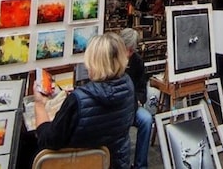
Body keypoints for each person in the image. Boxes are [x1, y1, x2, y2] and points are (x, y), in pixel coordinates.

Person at [34, 32, 135, 169]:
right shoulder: (128, 85)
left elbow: (48, 141)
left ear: (94, 63)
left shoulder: (77, 100)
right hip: (114, 163)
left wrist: (39, 104)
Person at [120, 28, 151, 169]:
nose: (128, 54)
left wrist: (139, 99)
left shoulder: (137, 61)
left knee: (146, 119)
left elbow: (142, 87)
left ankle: (140, 165)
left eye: (131, 51)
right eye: (126, 49)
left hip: (132, 105)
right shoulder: (111, 58)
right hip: (116, 106)